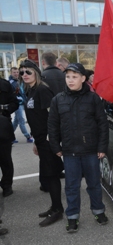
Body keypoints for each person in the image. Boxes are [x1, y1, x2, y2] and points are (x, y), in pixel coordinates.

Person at [48, 63, 109, 233]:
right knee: (72, 186)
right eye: (68, 76)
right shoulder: (58, 100)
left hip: (91, 151)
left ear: (83, 78)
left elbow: (102, 124)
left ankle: (98, 211)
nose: (70, 80)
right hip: (69, 152)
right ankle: (73, 217)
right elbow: (52, 126)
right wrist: (55, 146)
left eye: (74, 77)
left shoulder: (93, 99)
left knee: (94, 184)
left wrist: (102, 146)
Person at [20, 59, 64, 226]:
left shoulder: (42, 90)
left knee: (52, 175)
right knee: (48, 174)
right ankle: (54, 206)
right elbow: (34, 118)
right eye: (22, 72)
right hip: (40, 139)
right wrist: (35, 142)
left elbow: (54, 115)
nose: (24, 75)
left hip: (48, 139)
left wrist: (50, 138)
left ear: (36, 73)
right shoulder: (31, 91)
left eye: (28, 72)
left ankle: (58, 210)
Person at [0, 78, 19, 197]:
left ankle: (7, 185)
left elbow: (15, 103)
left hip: (2, 126)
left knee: (5, 158)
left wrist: (4, 109)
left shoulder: (4, 84)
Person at [9, 67, 33, 143]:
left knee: (16, 121)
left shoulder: (20, 81)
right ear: (11, 73)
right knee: (21, 120)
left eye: (17, 72)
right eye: (14, 72)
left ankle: (9, 136)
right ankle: (28, 136)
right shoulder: (11, 83)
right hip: (18, 104)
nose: (16, 74)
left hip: (23, 102)